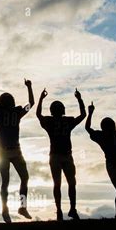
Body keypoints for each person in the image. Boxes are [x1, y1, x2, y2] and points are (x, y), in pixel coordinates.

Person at [0, 72, 34, 223]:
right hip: (13, 150)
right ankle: (21, 206)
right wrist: (29, 87)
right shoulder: (15, 112)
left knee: (6, 182)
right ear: (11, 102)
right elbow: (31, 103)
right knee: (23, 178)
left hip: (4, 150)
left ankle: (6, 210)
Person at [36, 87, 86, 221]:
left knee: (58, 184)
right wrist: (79, 99)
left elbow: (38, 115)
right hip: (65, 155)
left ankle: (60, 211)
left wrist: (41, 99)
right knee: (71, 183)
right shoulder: (67, 121)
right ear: (63, 110)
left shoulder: (50, 121)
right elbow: (83, 115)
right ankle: (71, 209)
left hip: (55, 156)